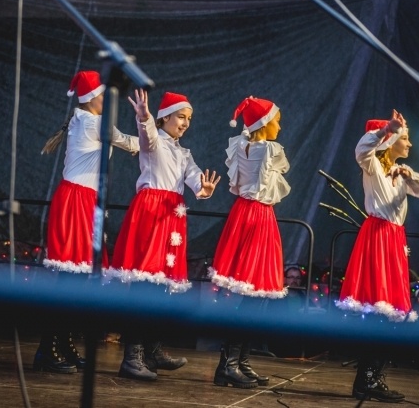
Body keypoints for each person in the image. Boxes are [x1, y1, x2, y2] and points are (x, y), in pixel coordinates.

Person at [106, 89, 221, 381]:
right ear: (165, 117)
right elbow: (146, 137)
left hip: (172, 218)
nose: (186, 123)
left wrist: (203, 189)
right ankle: (132, 357)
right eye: (181, 116)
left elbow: (195, 179)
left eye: (189, 119)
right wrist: (144, 118)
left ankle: (153, 351)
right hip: (151, 214)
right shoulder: (154, 143)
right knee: (145, 286)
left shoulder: (184, 153)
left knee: (161, 288)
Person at [34, 70, 140, 374]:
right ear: (93, 97)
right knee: (70, 280)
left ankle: (63, 345)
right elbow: (128, 142)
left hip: (84, 201)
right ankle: (47, 349)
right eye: (105, 94)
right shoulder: (91, 122)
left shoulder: (86, 121)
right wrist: (153, 134)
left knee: (77, 282)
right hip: (75, 201)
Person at [335, 110, 419, 403]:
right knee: (379, 309)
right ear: (392, 142)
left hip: (394, 240)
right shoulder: (373, 166)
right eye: (406, 139)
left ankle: (373, 376)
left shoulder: (399, 172)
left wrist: (408, 173)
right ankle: (366, 379)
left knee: (391, 313)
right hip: (378, 237)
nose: (410, 145)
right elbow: (362, 148)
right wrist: (386, 130)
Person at [209, 96, 290, 389]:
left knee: (252, 294)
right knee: (250, 295)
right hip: (257, 217)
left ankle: (239, 362)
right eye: (276, 119)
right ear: (264, 124)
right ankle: (229, 365)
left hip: (244, 214)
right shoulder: (268, 149)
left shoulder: (241, 144)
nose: (280, 124)